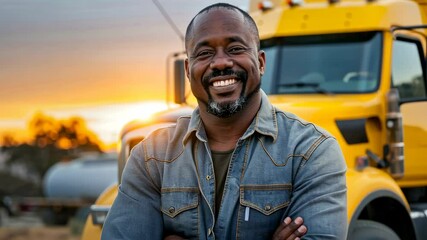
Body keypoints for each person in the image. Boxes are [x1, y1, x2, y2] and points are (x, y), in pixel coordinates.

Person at [101, 3, 347, 239]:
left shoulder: (311, 151)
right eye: (205, 53)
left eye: (235, 49)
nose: (220, 63)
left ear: (260, 62)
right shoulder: (152, 157)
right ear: (188, 70)